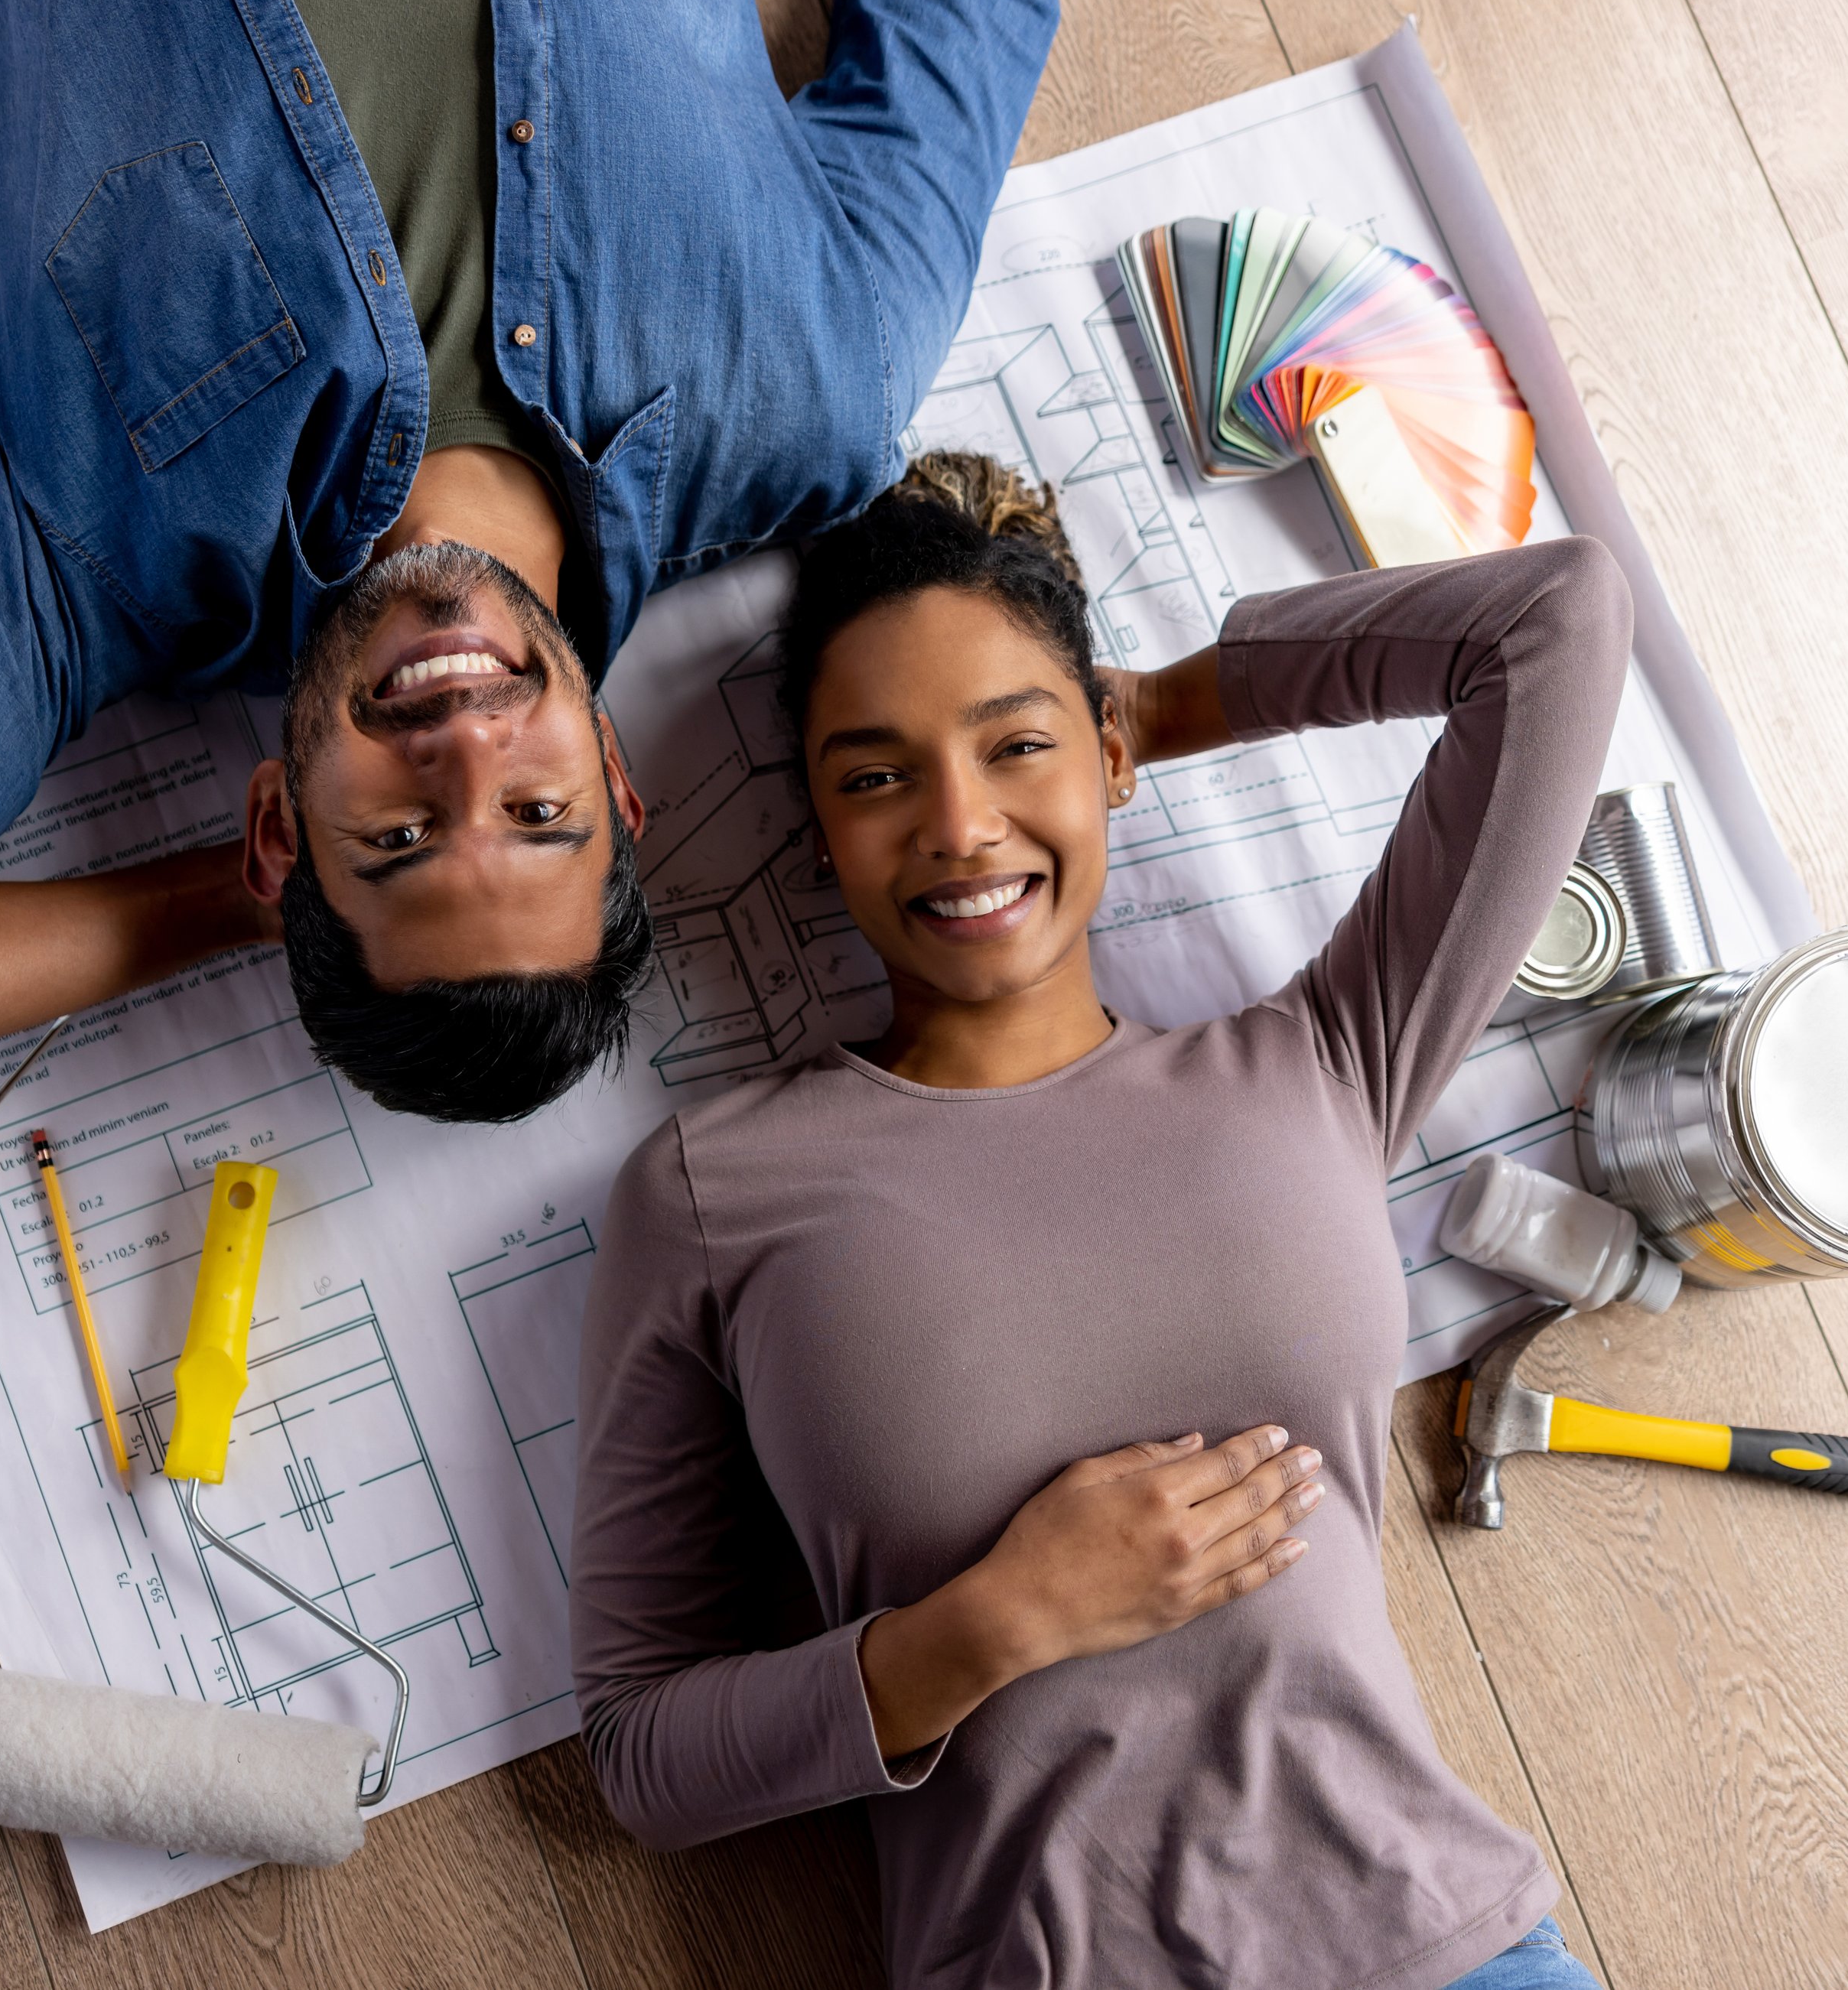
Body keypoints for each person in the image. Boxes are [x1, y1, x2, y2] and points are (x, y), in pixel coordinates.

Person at [0, 0, 1074, 1124]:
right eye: (539, 818)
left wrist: (231, 906)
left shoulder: (96, 557)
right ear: (620, 782)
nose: (469, 749)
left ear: (277, 825)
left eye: (401, 836)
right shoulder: (818, 388)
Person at [568, 453, 1627, 1988]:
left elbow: (1555, 617)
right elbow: (637, 1752)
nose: (956, 820)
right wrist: (989, 1623)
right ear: (812, 826)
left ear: (1108, 752)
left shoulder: (1322, 1061)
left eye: (1014, 746)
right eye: (873, 775)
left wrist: (1160, 705)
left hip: (1439, 1949)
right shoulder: (711, 1193)